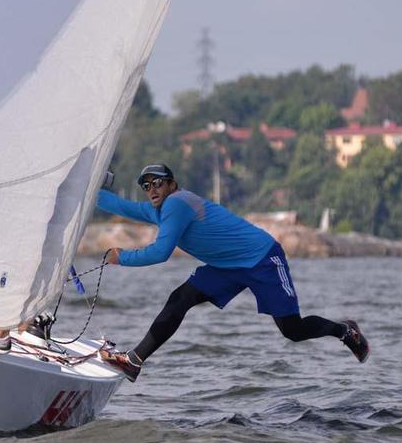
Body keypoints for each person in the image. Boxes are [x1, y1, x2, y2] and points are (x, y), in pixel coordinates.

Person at [96, 163, 369, 381]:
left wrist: (123, 257)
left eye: (157, 182)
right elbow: (122, 206)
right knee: (180, 298)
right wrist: (86, 190)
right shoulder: (158, 209)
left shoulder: (177, 203)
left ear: (171, 184)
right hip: (227, 267)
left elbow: (161, 252)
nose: (151, 189)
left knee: (292, 330)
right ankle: (134, 361)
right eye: (146, 185)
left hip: (262, 259)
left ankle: (345, 331)